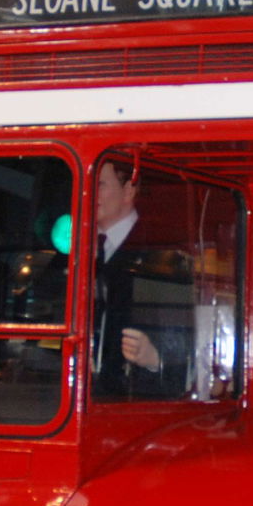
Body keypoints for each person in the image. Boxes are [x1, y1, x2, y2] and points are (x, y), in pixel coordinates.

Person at [91, 159, 182, 398]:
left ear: (129, 191)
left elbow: (184, 335)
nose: (89, 193)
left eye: (99, 185)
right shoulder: (78, 248)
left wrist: (155, 357)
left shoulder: (161, 249)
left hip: (133, 399)